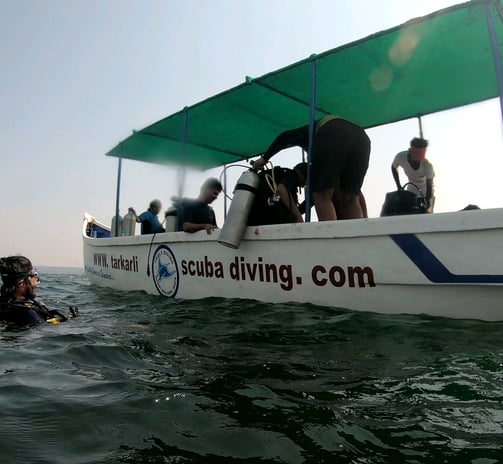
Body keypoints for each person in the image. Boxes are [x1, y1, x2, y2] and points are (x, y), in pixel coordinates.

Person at [252, 115, 371, 221]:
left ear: (301, 173)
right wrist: (298, 210)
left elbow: (281, 190)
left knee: (321, 194)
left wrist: (265, 158)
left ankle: (331, 240)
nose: (302, 186)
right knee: (350, 198)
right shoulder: (291, 175)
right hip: (362, 139)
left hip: (333, 130)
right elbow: (308, 203)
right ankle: (357, 237)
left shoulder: (291, 174)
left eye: (303, 184)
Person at [0, 256, 77, 326]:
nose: (36, 282)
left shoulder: (5, 306)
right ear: (21, 283)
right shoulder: (25, 312)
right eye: (34, 275)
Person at [391, 137, 435, 213]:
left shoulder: (427, 166)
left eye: (419, 160)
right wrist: (398, 185)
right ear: (410, 151)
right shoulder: (400, 157)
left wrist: (427, 201)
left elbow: (429, 186)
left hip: (427, 192)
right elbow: (393, 167)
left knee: (426, 216)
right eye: (415, 160)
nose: (417, 163)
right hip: (411, 190)